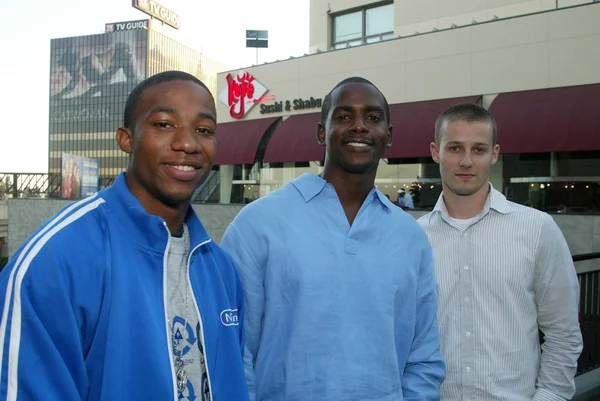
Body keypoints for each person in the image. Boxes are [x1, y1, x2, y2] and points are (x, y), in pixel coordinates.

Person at [0, 71, 249, 401]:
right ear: (126, 139)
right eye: (164, 124)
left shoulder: (219, 269)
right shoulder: (57, 259)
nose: (188, 143)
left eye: (203, 130)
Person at [221, 77, 445, 401]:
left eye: (372, 117)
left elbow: (423, 359)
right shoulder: (258, 224)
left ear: (389, 136)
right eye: (343, 117)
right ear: (321, 132)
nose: (359, 127)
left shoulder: (411, 238)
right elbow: (234, 352)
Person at [418, 103, 582, 401]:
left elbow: (563, 332)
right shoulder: (415, 238)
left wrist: (550, 397)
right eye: (455, 148)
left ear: (494, 154)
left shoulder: (537, 229)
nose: (466, 161)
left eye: (478, 149)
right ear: (435, 151)